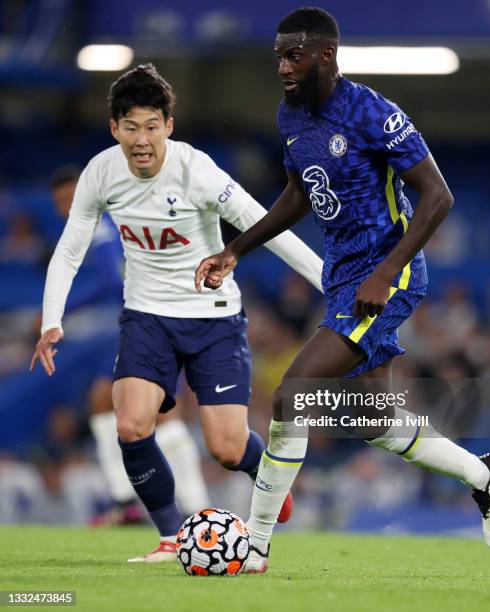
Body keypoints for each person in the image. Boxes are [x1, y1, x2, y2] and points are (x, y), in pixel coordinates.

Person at [195, 7, 490, 573]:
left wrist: (387, 270)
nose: (283, 66)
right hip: (343, 276)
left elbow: (439, 197)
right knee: (374, 421)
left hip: (388, 273)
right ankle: (484, 473)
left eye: (294, 55)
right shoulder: (290, 116)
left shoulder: (372, 113)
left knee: (294, 393)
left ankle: (258, 546)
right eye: (278, 56)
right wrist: (235, 248)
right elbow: (298, 193)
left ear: (326, 55)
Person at [30, 63, 323, 562]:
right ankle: (171, 535)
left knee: (227, 448)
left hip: (214, 318)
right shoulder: (100, 172)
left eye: (151, 126)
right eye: (130, 127)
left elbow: (264, 224)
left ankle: (264, 471)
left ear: (168, 125)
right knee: (130, 424)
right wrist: (50, 320)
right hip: (146, 316)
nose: (141, 139)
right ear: (114, 129)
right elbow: (70, 248)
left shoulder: (197, 171)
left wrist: (330, 284)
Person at [47, 166, 211, 526]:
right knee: (107, 402)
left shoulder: (104, 223)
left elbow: (110, 280)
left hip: (153, 319)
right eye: (60, 202)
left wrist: (60, 311)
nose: (66, 207)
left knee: (157, 409)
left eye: (71, 198)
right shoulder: (109, 220)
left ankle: (190, 506)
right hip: (155, 316)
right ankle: (134, 502)